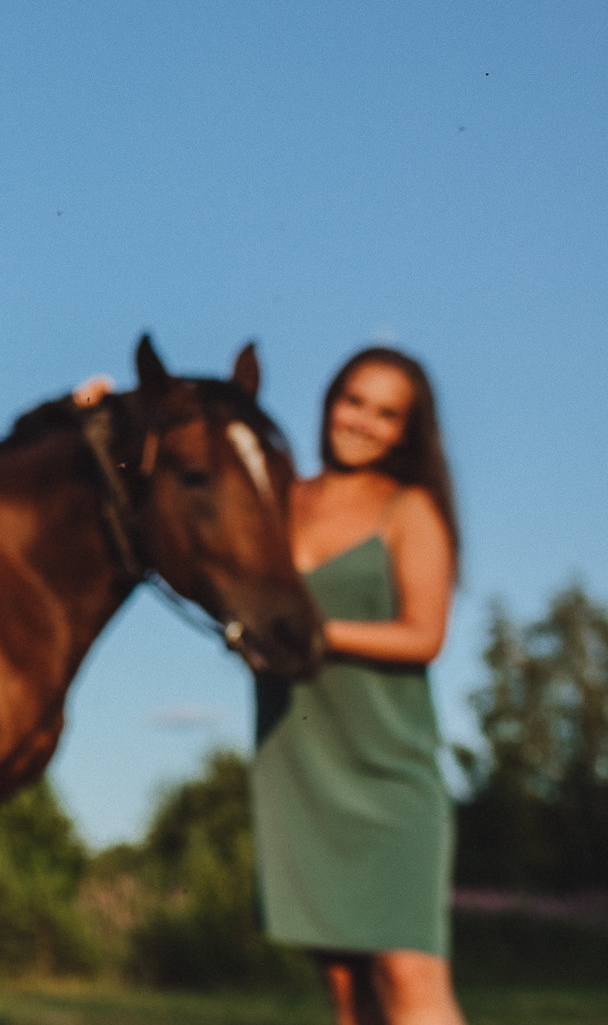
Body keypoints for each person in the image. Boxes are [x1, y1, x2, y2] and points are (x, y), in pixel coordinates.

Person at [253, 347, 464, 1025]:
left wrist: (316, 631)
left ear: (407, 430)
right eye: (354, 400)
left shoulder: (410, 508)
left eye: (387, 412)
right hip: (301, 765)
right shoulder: (281, 498)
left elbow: (424, 634)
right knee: (347, 989)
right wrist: (91, 413)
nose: (364, 422)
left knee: (410, 974)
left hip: (388, 769)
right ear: (329, 401)